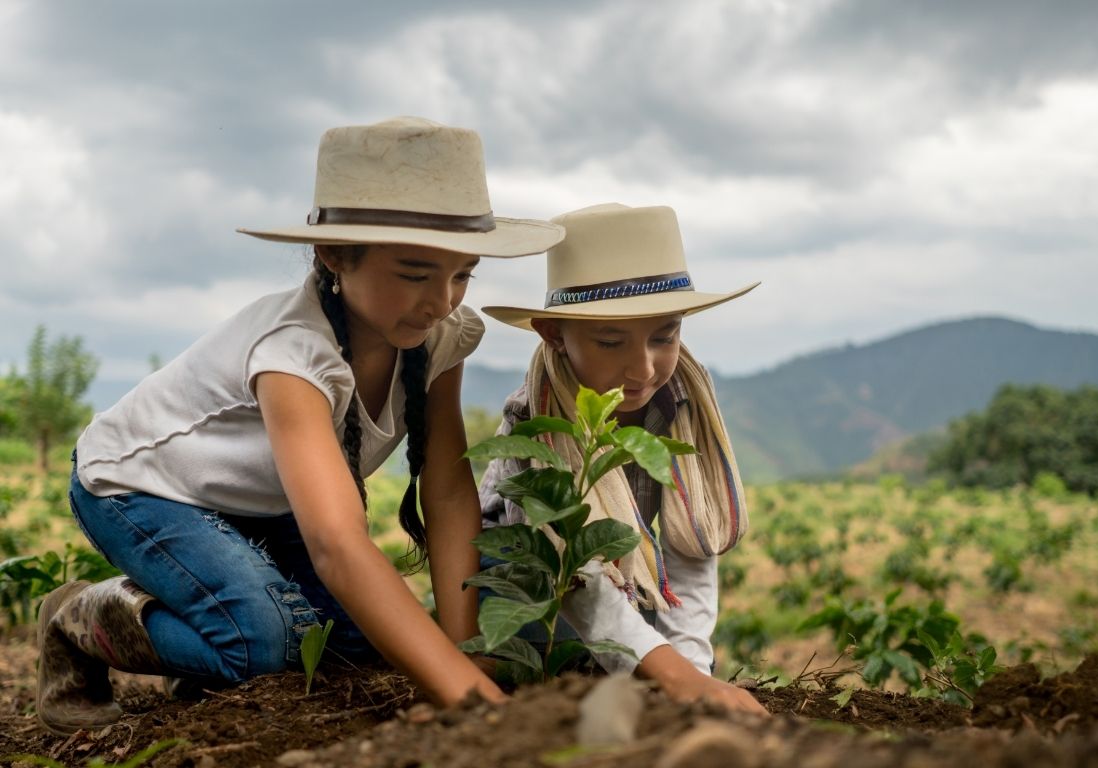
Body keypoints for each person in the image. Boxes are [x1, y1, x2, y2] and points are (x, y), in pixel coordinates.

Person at [36, 117, 564, 735]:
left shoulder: (442, 337)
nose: (442, 299)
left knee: (356, 647)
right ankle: (78, 617)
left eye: (463, 273)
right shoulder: (293, 352)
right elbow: (337, 543)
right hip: (143, 487)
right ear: (334, 253)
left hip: (264, 502)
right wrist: (473, 705)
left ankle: (205, 648)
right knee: (267, 643)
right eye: (417, 273)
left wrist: (462, 653)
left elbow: (446, 492)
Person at [479, 203, 767, 715]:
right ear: (554, 335)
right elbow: (576, 577)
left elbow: (691, 544)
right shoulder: (536, 419)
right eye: (611, 341)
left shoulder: (682, 404)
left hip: (618, 589)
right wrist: (670, 675)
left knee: (657, 646)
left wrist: (692, 676)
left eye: (665, 336)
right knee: (562, 648)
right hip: (530, 590)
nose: (643, 368)